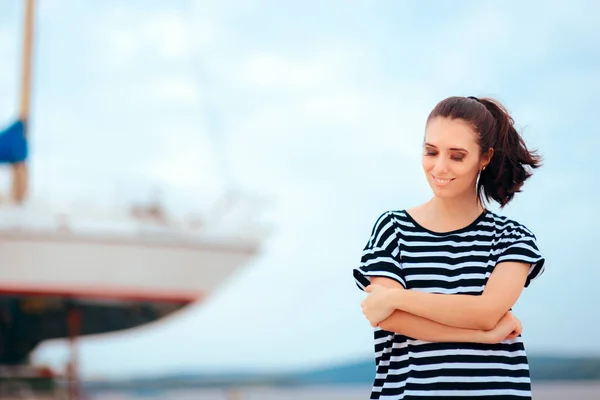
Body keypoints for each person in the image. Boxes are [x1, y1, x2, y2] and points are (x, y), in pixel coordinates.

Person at [354, 96, 545, 399]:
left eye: (457, 156)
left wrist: (397, 297)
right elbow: (390, 318)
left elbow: (485, 312)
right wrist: (486, 335)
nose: (439, 167)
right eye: (431, 151)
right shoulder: (392, 229)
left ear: (485, 158)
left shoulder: (512, 238)